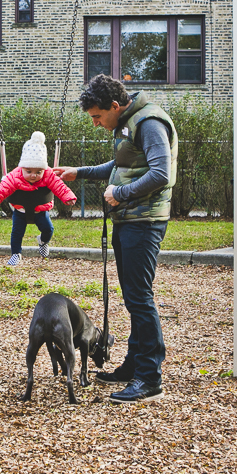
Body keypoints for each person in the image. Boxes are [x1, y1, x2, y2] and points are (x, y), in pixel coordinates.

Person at [53, 74, 178, 404]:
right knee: (134, 296)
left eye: (97, 117)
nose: (96, 124)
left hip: (144, 220)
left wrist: (120, 193)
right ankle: (134, 365)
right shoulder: (127, 121)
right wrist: (78, 172)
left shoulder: (148, 121)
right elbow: (121, 164)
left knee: (139, 298)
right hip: (129, 218)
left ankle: (150, 377)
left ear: (113, 106)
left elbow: (161, 173)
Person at [0, 131, 77, 266]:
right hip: (20, 212)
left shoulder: (48, 174)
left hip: (41, 212)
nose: (33, 175)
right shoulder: (15, 175)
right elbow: (3, 187)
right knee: (16, 234)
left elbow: (59, 185)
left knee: (48, 229)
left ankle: (42, 241)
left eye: (38, 172)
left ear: (43, 169)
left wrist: (68, 196)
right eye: (29, 171)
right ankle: (16, 254)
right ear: (22, 167)